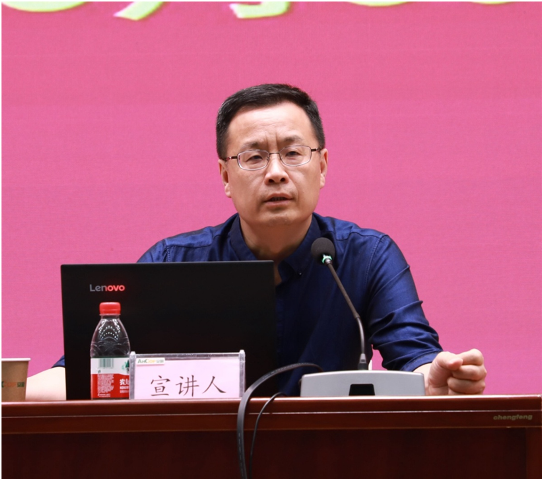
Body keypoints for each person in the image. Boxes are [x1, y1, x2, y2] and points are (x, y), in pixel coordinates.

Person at [27, 83, 486, 400]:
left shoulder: (366, 256)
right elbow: (85, 374)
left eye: (293, 152)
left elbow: (416, 358)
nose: (276, 173)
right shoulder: (174, 262)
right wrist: (14, 389)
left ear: (322, 166)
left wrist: (438, 376)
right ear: (225, 176)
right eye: (253, 157)